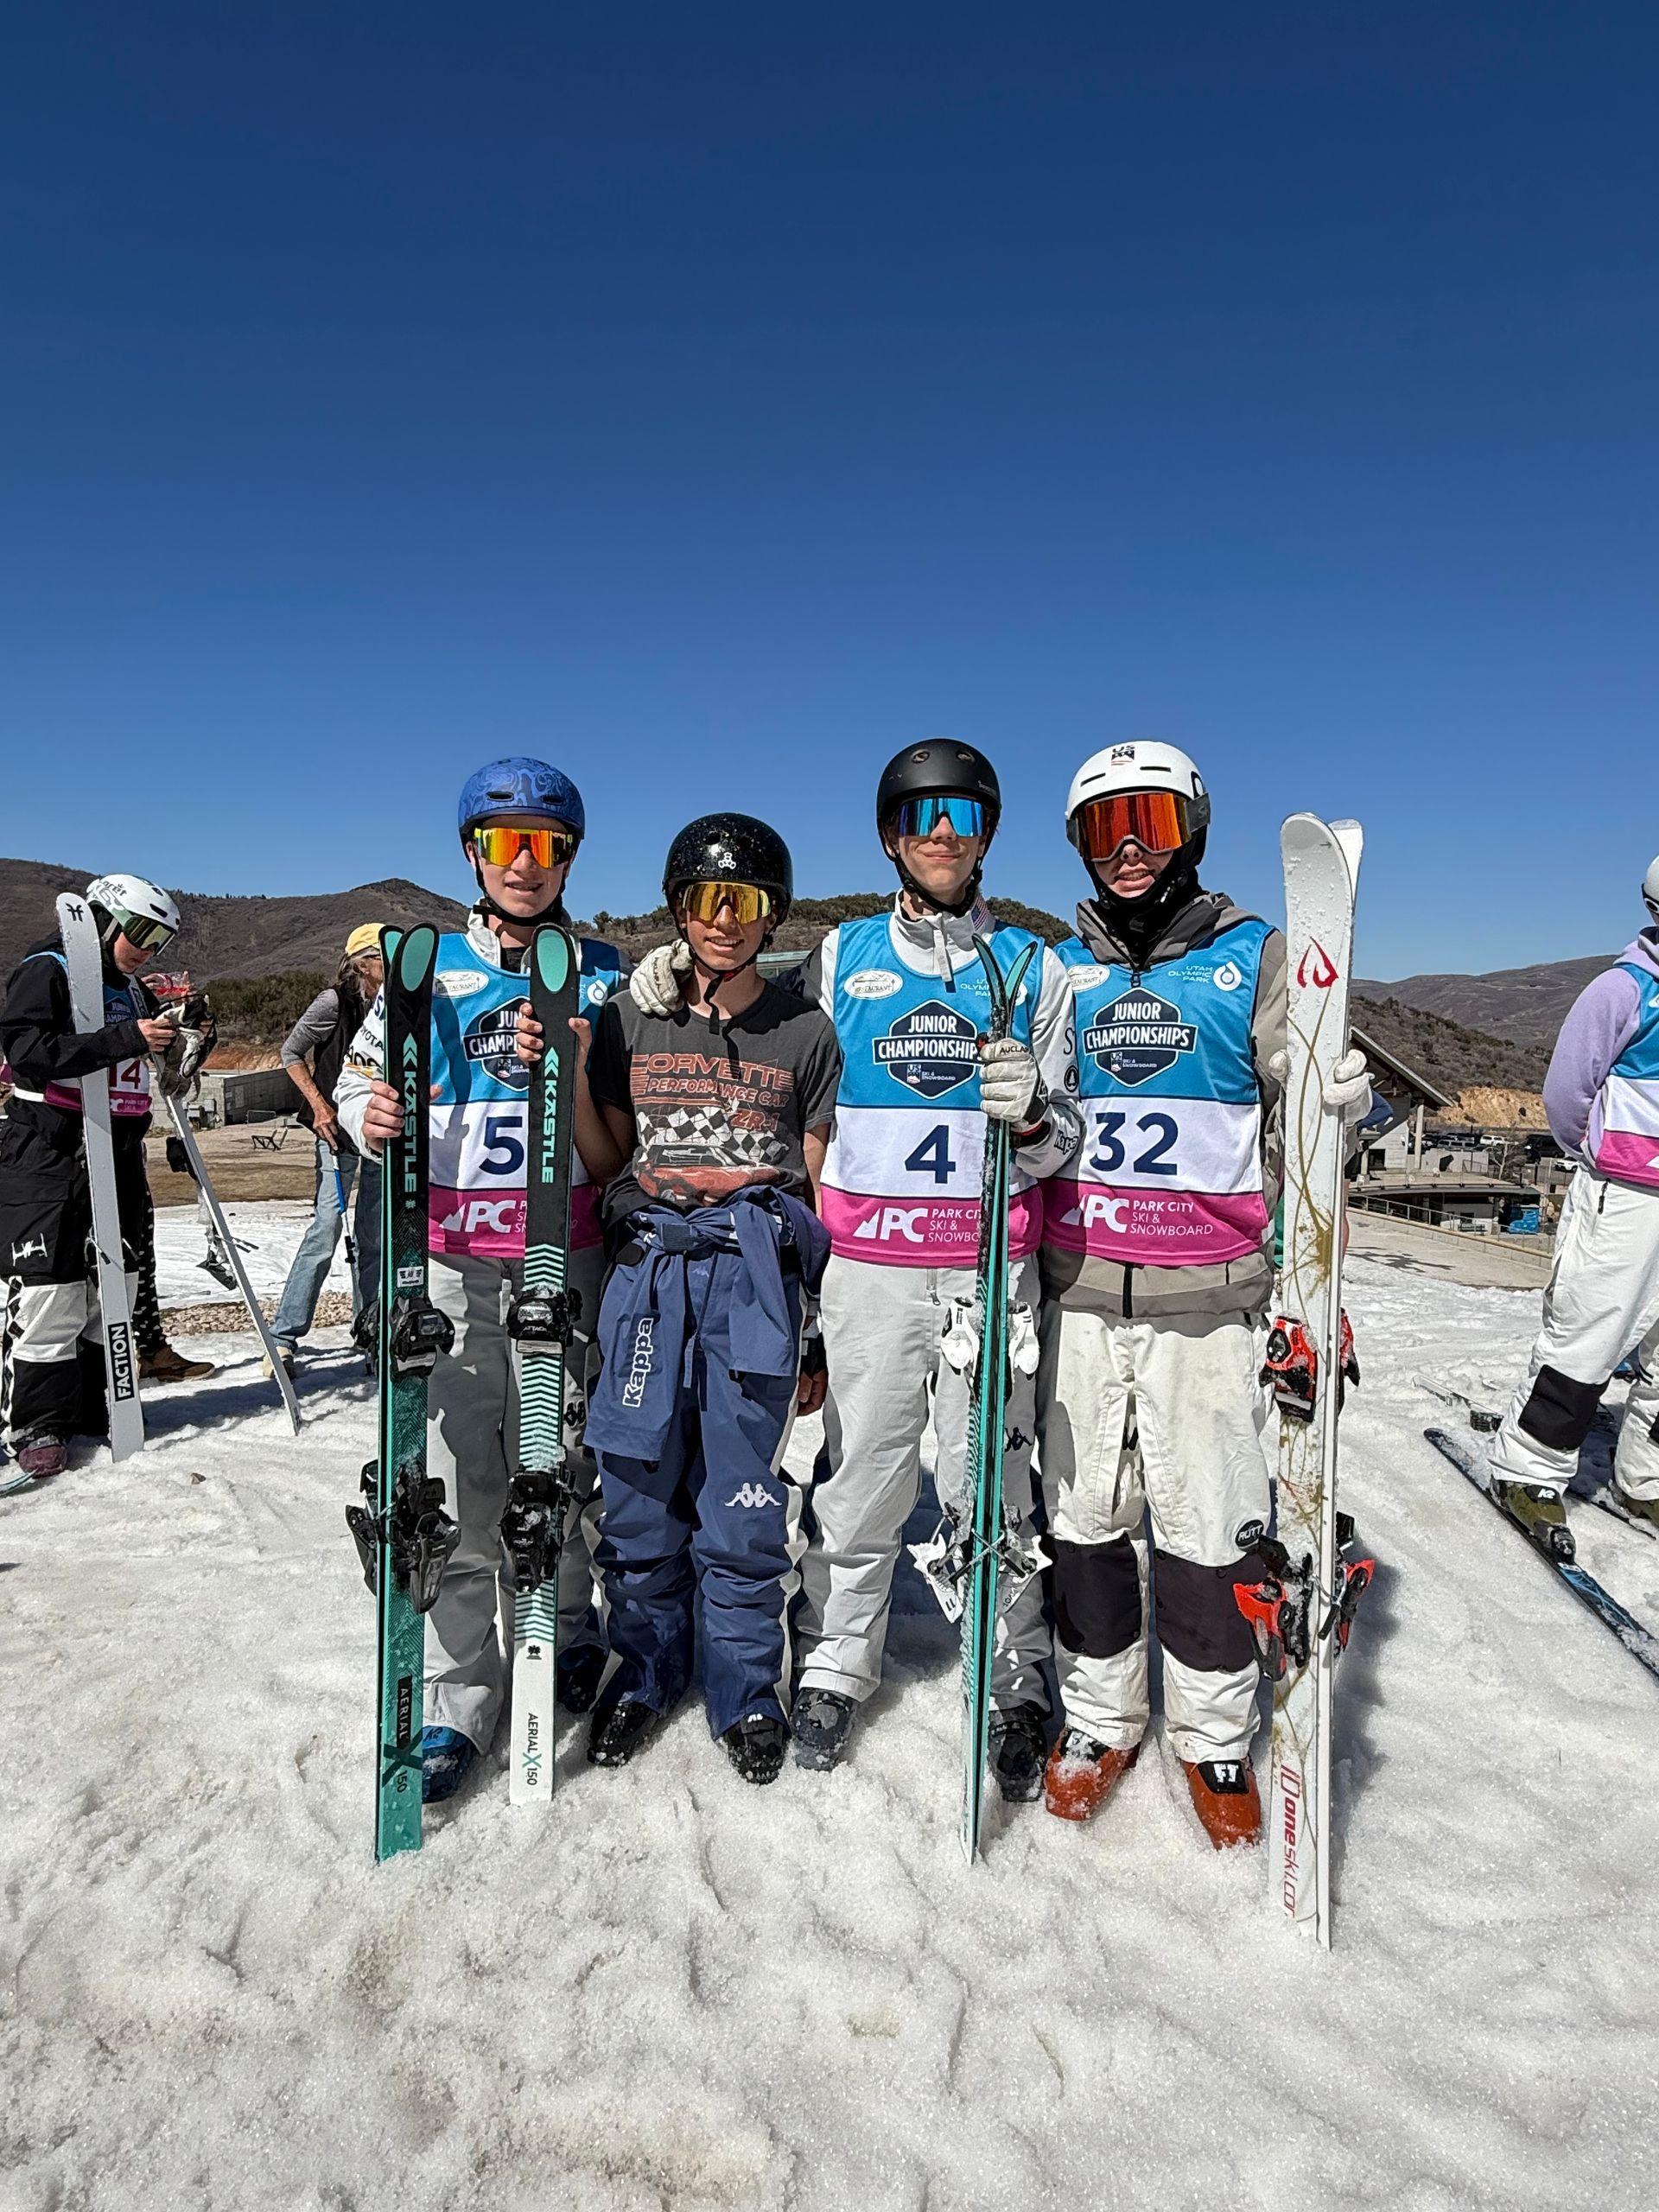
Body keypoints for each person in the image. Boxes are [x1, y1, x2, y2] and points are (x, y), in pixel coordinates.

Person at [634, 741, 1082, 1797]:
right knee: (862, 1475)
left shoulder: (1034, 966)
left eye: (962, 817)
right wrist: (673, 978)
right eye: (920, 815)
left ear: (984, 837)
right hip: (870, 1271)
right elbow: (745, 1011)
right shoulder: (840, 957)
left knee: (993, 1480)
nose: (940, 832)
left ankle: (1014, 1676)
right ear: (890, 834)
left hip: (985, 1267)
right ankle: (838, 1661)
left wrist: (1035, 1118)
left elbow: (1068, 1136)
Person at [1034, 745, 1369, 1848]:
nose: (1128, 847)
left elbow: (1303, 1109)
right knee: (1085, 1525)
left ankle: (1214, 1733)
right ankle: (1098, 1720)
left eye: (1152, 820)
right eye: (1103, 828)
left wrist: (1337, 1101)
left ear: (1194, 828)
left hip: (1210, 1298)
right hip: (1080, 1292)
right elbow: (1035, 1123)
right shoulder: (1059, 970)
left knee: (1209, 1526)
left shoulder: (1250, 956)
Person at [334, 760, 625, 1803]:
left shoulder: (602, 971)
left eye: (549, 846)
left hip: (568, 1255)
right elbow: (360, 1080)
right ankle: (462, 1693)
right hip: (454, 1264)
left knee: (568, 1462)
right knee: (459, 1485)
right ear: (473, 852)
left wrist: (587, 1064)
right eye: (508, 843)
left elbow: (614, 1148)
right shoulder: (427, 967)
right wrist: (366, 1114)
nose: (528, 865)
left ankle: (572, 1634)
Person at [568, 814, 839, 1786]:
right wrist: (568, 1066)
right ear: (678, 910)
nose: (725, 921)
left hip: (751, 1277)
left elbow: (806, 1189)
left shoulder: (805, 1030)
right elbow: (605, 1156)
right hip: (649, 1273)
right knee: (637, 1480)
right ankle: (645, 1666)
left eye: (747, 902)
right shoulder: (628, 1016)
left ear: (774, 918)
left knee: (741, 1492)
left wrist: (804, 1328)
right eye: (706, 901)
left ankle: (745, 1686)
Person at [1486, 857, 1659, 1544]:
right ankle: (1527, 1469)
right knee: (1589, 1333)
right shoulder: (1624, 990)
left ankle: (1645, 1479)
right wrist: (1596, 1153)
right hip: (1625, 1193)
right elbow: (1567, 1094)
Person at [0, 874, 182, 1476]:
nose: (149, 949)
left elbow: (138, 1049)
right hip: (49, 1149)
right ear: (104, 921)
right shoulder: (46, 970)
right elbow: (27, 1051)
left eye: (160, 940)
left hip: (117, 1150)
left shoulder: (134, 990)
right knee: (51, 1290)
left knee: (114, 1289)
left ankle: (98, 1404)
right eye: (142, 933)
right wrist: (123, 1038)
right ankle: (36, 1420)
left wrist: (167, 1038)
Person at [267, 925, 386, 1376]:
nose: (389, 964)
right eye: (380, 955)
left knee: (375, 1235)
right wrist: (319, 1106)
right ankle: (284, 1335)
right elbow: (291, 1051)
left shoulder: (400, 1005)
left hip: (378, 1134)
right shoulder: (335, 1002)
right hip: (335, 1129)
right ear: (360, 962)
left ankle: (371, 1331)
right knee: (326, 1227)